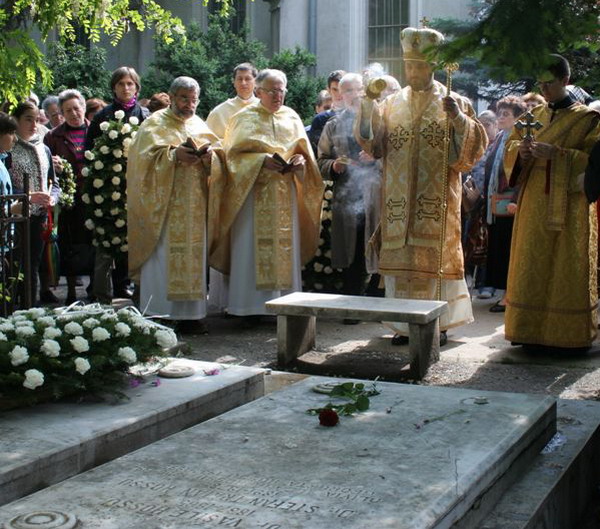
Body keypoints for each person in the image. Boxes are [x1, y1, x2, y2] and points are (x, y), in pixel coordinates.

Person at [355, 27, 487, 346]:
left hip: (435, 201)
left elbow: (470, 154)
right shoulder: (392, 103)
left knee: (434, 263)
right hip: (399, 202)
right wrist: (368, 106)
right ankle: (403, 324)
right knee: (402, 266)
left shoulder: (454, 101)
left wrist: (459, 120)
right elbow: (374, 146)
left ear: (433, 66)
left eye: (419, 66)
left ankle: (436, 325)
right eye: (409, 66)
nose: (413, 72)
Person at [210, 69, 323, 321]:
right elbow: (231, 157)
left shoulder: (291, 117)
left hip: (285, 194)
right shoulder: (243, 118)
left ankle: (286, 304)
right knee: (250, 247)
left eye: (281, 90)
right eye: (272, 91)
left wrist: (300, 163)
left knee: (284, 246)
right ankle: (249, 308)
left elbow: (306, 155)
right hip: (252, 195)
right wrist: (261, 160)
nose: (278, 95)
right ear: (259, 91)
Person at [504, 54, 600, 351]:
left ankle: (566, 335)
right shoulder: (532, 116)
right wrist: (520, 153)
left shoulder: (588, 120)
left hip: (571, 207)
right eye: (541, 84)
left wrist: (558, 155)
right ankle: (527, 331)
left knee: (565, 265)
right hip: (533, 202)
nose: (544, 90)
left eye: (550, 83)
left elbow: (595, 163)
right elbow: (510, 147)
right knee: (530, 260)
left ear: (565, 80)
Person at [127, 76, 221, 334]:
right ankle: (160, 313)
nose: (189, 104)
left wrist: (210, 158)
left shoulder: (199, 124)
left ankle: (192, 316)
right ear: (172, 97)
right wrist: (172, 155)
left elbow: (219, 159)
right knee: (164, 258)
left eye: (193, 99)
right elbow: (140, 162)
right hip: (164, 207)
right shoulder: (154, 124)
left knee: (193, 257)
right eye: (184, 98)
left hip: (195, 205)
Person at [317, 73, 381, 315]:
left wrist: (376, 157)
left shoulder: (379, 120)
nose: (354, 95)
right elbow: (321, 160)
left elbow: (396, 156)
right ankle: (353, 307)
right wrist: (334, 166)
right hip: (347, 195)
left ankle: (379, 303)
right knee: (352, 252)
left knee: (378, 247)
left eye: (358, 90)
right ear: (340, 95)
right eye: (348, 91)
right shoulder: (333, 125)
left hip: (376, 193)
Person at [85, 67, 150, 304]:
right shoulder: (102, 116)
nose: (125, 88)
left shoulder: (145, 116)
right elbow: (89, 151)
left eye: (130, 83)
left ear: (137, 87)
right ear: (114, 87)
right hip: (107, 189)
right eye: (121, 83)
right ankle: (101, 295)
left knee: (138, 241)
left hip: (136, 187)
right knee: (105, 242)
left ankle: (139, 294)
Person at [44, 89, 92, 305]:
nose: (73, 113)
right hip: (68, 199)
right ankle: (71, 291)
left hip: (93, 196)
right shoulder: (53, 136)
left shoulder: (96, 130)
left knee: (92, 243)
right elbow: (45, 166)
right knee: (69, 244)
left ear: (83, 107)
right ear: (61, 114)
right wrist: (53, 166)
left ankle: (95, 288)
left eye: (76, 108)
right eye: (67, 110)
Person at [9, 102, 60, 305]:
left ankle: (30, 306)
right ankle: (10, 308)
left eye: (37, 120)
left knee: (33, 264)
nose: (33, 125)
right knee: (14, 265)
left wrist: (53, 197)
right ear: (16, 121)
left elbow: (54, 182)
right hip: (14, 217)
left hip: (39, 217)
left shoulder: (43, 148)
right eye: (28, 119)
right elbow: (6, 186)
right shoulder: (8, 148)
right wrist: (28, 196)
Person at [206, 63, 258, 139]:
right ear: (234, 82)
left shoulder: (265, 108)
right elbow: (209, 141)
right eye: (239, 79)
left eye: (247, 79)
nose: (243, 83)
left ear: (256, 82)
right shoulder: (219, 112)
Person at [307, 70, 346, 154]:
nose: (339, 94)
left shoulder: (359, 114)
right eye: (335, 89)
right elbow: (316, 153)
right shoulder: (320, 119)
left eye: (342, 89)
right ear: (328, 90)